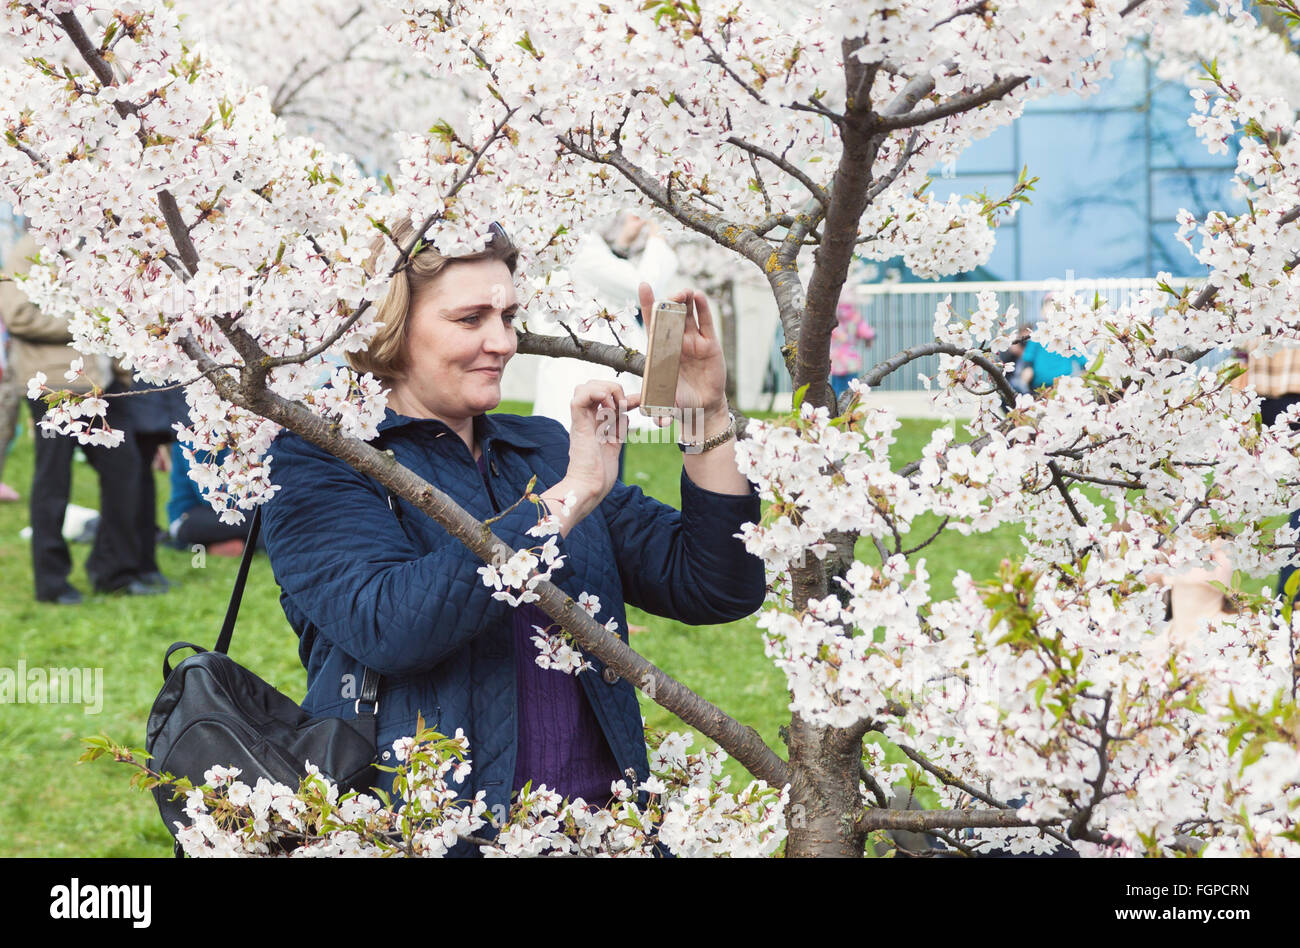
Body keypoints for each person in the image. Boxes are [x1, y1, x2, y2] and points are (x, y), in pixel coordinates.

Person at [259, 221, 766, 850]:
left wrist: (705, 415)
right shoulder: (323, 459)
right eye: (470, 318)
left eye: (509, 315)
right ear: (387, 326)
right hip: (434, 832)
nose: (501, 341)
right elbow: (389, 624)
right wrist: (567, 499)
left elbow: (715, 585)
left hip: (605, 825)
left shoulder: (542, 449)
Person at [1, 233, 159, 603]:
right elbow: (19, 316)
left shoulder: (91, 247)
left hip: (101, 386)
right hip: (54, 384)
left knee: (126, 471)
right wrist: (85, 321)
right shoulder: (29, 250)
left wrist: (122, 370)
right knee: (53, 481)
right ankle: (52, 583)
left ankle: (114, 572)